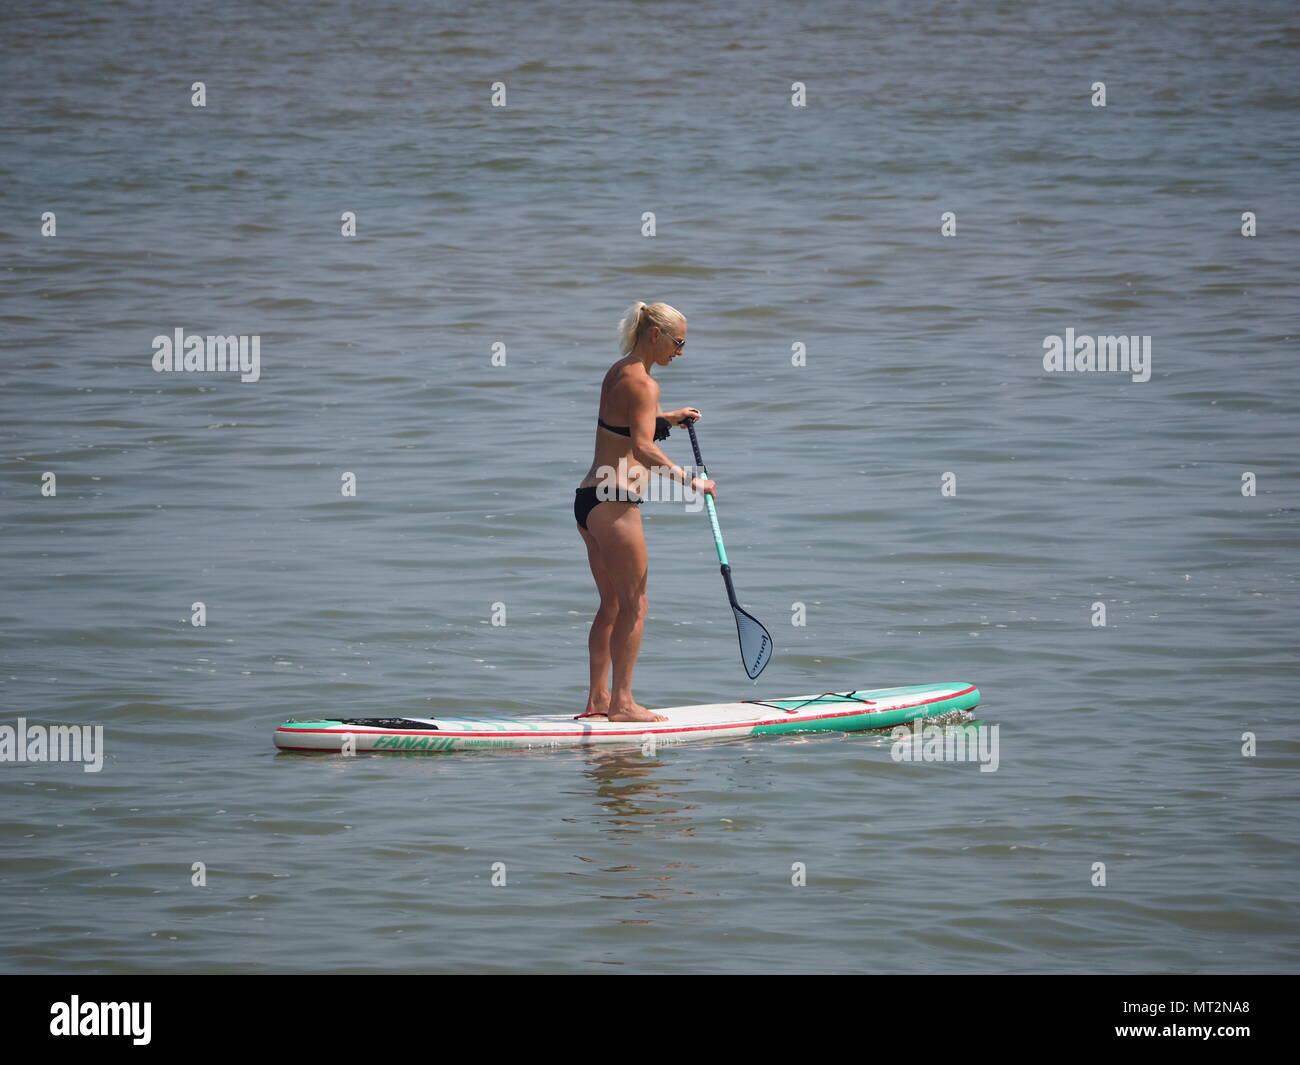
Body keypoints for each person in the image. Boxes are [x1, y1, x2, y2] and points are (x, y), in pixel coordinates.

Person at [573, 301, 716, 723]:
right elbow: (641, 446)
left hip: (588, 501)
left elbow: (630, 425)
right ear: (656, 335)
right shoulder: (645, 384)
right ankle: (623, 704)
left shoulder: (620, 371)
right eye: (679, 342)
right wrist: (690, 481)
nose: (681, 352)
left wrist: (669, 418)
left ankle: (597, 701)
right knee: (635, 605)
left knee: (611, 604)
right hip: (617, 504)